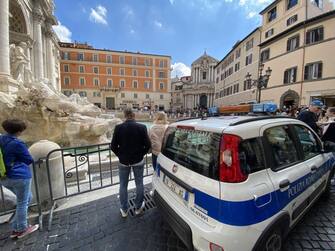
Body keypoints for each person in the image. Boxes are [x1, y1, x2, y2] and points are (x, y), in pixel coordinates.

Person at [0, 119, 39, 239]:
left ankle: (16, 226)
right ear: (19, 131)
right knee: (23, 202)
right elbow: (29, 159)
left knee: (27, 198)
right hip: (19, 176)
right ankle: (21, 229)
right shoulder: (18, 143)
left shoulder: (1, 138)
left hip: (4, 177)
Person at [111, 108, 151, 218]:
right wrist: (141, 154)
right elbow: (148, 145)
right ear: (134, 115)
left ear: (125, 115)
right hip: (138, 160)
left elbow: (113, 146)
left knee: (123, 185)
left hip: (123, 161)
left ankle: (124, 210)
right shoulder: (142, 127)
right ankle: (138, 208)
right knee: (139, 184)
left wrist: (120, 155)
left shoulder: (118, 128)